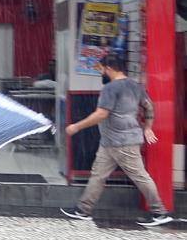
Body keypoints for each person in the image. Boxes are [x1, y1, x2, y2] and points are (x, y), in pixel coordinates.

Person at [61, 53, 171, 227]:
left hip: (122, 142)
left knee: (140, 176)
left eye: (102, 70)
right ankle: (83, 210)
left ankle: (159, 212)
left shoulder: (110, 89)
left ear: (109, 69)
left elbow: (101, 114)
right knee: (98, 175)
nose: (101, 74)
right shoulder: (135, 86)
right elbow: (149, 105)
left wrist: (77, 126)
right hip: (111, 142)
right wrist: (148, 127)